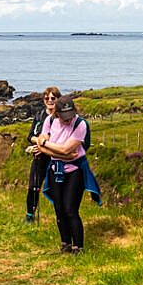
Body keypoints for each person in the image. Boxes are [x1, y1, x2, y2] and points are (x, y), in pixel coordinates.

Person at [35, 95, 102, 254]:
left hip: (75, 171)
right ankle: (65, 243)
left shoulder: (80, 124)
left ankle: (78, 247)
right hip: (55, 169)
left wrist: (48, 147)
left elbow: (66, 149)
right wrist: (49, 147)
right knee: (59, 208)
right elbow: (41, 142)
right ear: (57, 114)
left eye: (70, 116)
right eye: (64, 118)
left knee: (70, 209)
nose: (67, 120)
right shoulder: (49, 121)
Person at [23, 86, 59, 223]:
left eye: (53, 98)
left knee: (56, 189)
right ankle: (29, 215)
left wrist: (43, 145)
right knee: (33, 187)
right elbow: (30, 135)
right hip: (39, 158)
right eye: (47, 98)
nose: (50, 101)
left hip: (55, 158)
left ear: (58, 99)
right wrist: (37, 141)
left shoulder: (60, 117)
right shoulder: (39, 116)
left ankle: (60, 216)